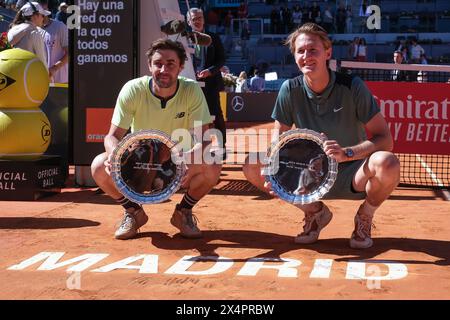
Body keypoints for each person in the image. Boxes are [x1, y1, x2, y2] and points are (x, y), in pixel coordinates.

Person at [243, 23, 400, 249]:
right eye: (300, 51)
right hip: (309, 176)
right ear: (294, 56)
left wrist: (347, 153)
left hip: (353, 175)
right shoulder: (290, 89)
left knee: (388, 163)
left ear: (328, 53)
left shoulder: (352, 86)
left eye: (313, 50)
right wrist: (272, 174)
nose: (306, 56)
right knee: (253, 164)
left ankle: (365, 216)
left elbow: (385, 139)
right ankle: (315, 212)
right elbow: (278, 141)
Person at [90, 39, 222, 240]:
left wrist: (188, 159)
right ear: (149, 66)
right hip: (140, 163)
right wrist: (114, 155)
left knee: (212, 163)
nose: (163, 69)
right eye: (158, 63)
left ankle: (183, 213)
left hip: (179, 163)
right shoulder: (133, 89)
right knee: (99, 166)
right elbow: (112, 136)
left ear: (180, 67)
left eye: (170, 64)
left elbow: (203, 140)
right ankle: (133, 213)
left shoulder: (192, 90)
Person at [187, 7, 227, 160]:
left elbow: (221, 59)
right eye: (194, 18)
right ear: (188, 21)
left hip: (210, 83)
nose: (197, 21)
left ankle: (221, 148)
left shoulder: (213, 37)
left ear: (203, 19)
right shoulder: (184, 39)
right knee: (194, 118)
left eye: (199, 18)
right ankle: (198, 147)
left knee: (216, 116)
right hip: (190, 85)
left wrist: (210, 71)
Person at [7, 1, 49, 69]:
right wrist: (47, 77)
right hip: (30, 76)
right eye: (42, 15)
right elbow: (42, 61)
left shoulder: (14, 29)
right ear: (34, 16)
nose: (43, 18)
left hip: (16, 73)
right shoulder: (34, 33)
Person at [38, 0, 68, 83]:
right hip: (43, 81)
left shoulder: (60, 26)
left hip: (61, 80)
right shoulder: (35, 30)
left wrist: (54, 68)